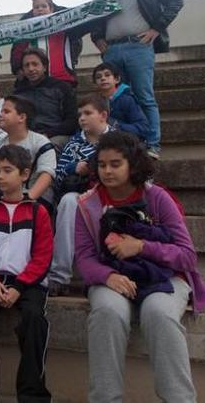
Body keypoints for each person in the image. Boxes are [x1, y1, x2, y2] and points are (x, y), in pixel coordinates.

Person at [75, 131, 205, 402]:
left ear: (132, 165)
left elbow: (187, 257)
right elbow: (84, 257)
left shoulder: (158, 198)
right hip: (112, 278)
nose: (107, 171)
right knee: (107, 313)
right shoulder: (88, 204)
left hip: (164, 276)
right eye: (102, 165)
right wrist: (107, 275)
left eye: (116, 164)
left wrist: (140, 247)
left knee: (159, 314)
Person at [0, 144, 53, 403]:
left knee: (34, 321)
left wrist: (20, 287)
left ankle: (32, 394)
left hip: (28, 283)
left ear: (25, 174)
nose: (1, 177)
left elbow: (43, 256)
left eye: (8, 171)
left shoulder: (39, 211)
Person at [91, 0, 184, 159]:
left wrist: (156, 28)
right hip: (112, 50)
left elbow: (176, 1)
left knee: (143, 95)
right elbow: (95, 21)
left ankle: (152, 144)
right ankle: (122, 143)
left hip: (139, 47)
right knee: (112, 99)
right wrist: (98, 39)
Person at [50, 94, 113, 297]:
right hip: (82, 197)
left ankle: (103, 274)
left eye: (88, 113)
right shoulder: (73, 144)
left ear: (103, 115)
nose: (82, 119)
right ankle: (59, 276)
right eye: (79, 115)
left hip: (112, 197)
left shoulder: (120, 140)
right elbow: (57, 175)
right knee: (68, 201)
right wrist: (74, 168)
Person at [0, 96, 58, 208]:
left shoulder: (42, 143)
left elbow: (47, 175)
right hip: (4, 195)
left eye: (6, 111)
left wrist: (27, 199)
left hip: (36, 198)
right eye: (1, 111)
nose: (1, 115)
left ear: (22, 117)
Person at [13, 47, 77, 148]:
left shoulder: (62, 88)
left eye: (35, 64)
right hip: (27, 136)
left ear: (44, 67)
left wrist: (47, 135)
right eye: (27, 65)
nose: (31, 69)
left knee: (47, 147)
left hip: (56, 136)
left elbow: (72, 121)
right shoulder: (19, 93)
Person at [18, 0, 84, 71]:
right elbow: (18, 47)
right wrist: (18, 69)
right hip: (34, 73)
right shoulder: (23, 21)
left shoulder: (66, 14)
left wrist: (70, 61)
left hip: (62, 70)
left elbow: (76, 38)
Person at [11, 0, 81, 85]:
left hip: (62, 79)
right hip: (36, 81)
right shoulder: (26, 31)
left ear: (51, 9)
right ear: (32, 12)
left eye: (44, 6)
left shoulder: (65, 26)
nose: (40, 9)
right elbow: (18, 50)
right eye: (36, 7)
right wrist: (18, 69)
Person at [92, 62, 150, 141]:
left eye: (107, 75)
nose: (103, 78)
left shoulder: (127, 100)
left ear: (117, 79)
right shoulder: (94, 102)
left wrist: (115, 125)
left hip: (124, 142)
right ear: (95, 84)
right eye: (98, 77)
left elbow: (143, 128)